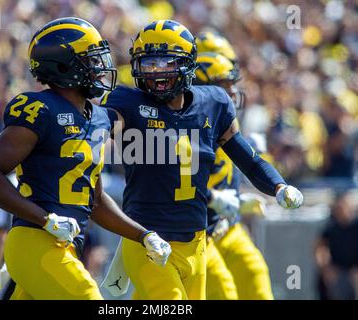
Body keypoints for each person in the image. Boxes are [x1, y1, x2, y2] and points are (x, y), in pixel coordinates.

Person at [0, 17, 171, 300]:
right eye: (91, 61)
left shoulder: (99, 117)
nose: (100, 68)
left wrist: (143, 235)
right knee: (88, 296)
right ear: (64, 66)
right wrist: (45, 219)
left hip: (65, 245)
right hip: (34, 240)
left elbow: (96, 200)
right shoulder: (40, 109)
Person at [101, 20, 303, 300]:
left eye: (165, 63)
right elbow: (99, 127)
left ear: (187, 65)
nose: (156, 72)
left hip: (196, 241)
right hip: (147, 237)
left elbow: (248, 158)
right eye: (148, 64)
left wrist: (278, 185)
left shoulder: (213, 103)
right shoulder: (129, 103)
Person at [194, 49, 274, 299]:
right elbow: (174, 182)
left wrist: (236, 201)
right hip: (191, 230)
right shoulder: (185, 127)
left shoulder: (225, 123)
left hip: (224, 226)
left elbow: (242, 166)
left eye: (231, 85)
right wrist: (217, 200)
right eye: (222, 85)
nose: (230, 93)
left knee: (254, 274)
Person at [315, 191, 358, 300]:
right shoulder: (331, 226)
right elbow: (320, 247)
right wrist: (326, 269)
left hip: (353, 273)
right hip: (336, 271)